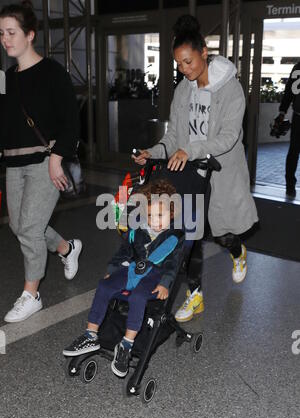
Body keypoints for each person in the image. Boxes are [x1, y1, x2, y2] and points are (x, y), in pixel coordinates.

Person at [133, 15, 258, 323]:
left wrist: (191, 150)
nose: (183, 70)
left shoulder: (231, 90)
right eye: (178, 64)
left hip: (221, 170)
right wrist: (153, 153)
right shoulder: (183, 91)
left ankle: (238, 252)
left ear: (204, 52)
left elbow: (228, 137)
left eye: (188, 62)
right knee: (189, 234)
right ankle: (195, 295)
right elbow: (174, 136)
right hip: (189, 173)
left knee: (222, 232)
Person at [0, 1, 82, 323]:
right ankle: (66, 248)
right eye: (1, 33)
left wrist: (56, 158)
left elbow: (71, 121)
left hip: (45, 162)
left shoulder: (52, 72)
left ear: (29, 34)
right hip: (15, 165)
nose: (5, 39)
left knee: (30, 229)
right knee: (20, 227)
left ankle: (31, 294)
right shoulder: (5, 78)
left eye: (11, 32)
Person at [63, 179, 185, 378]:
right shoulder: (136, 231)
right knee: (104, 286)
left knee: (138, 297)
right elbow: (125, 252)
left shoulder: (174, 237)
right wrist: (113, 268)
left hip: (155, 275)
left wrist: (164, 284)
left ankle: (126, 344)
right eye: (151, 215)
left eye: (160, 215)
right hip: (133, 269)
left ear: (172, 213)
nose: (155, 221)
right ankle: (90, 334)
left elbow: (173, 265)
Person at [276, 62, 300, 198]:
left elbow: (289, 92)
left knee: (293, 152)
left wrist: (282, 112)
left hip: (298, 116)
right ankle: (290, 185)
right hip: (298, 116)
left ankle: (290, 186)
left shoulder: (297, 67)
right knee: (293, 153)